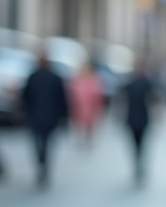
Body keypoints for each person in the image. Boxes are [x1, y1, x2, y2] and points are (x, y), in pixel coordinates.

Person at [21, 54, 68, 188]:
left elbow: (24, 97)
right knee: (46, 143)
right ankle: (44, 165)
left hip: (36, 117)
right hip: (51, 117)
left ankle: (42, 164)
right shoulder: (55, 78)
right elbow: (62, 99)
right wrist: (65, 117)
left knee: (38, 143)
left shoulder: (33, 77)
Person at [122, 59, 155, 185]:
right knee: (136, 143)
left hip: (141, 118)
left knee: (141, 143)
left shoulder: (146, 82)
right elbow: (122, 100)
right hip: (133, 118)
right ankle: (138, 162)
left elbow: (153, 99)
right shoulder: (131, 82)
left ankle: (139, 162)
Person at [67, 61, 104, 148]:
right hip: (78, 107)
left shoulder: (93, 80)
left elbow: (98, 95)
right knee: (78, 124)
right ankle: (79, 139)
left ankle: (88, 139)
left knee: (89, 124)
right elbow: (72, 93)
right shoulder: (77, 79)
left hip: (90, 107)